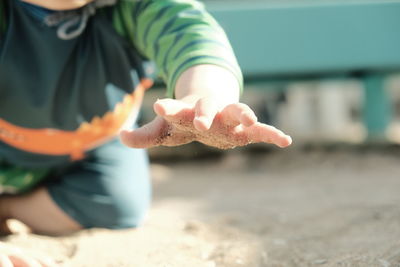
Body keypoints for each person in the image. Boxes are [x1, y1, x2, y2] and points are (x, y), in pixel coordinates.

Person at [0, 0, 292, 265]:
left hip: (95, 145)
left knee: (119, 206)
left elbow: (192, 37)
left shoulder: (133, 7)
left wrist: (204, 95)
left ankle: (9, 207)